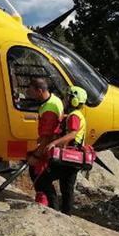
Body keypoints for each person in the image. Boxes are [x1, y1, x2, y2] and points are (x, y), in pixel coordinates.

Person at [38, 86, 90, 214]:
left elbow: (72, 134)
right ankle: (66, 215)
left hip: (68, 157)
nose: (64, 100)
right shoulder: (77, 115)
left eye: (67, 97)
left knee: (43, 180)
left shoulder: (74, 116)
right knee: (67, 188)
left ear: (74, 101)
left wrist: (54, 143)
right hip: (74, 158)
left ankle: (54, 210)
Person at [25, 77, 64, 209]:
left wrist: (36, 155)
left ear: (40, 91)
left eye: (31, 91)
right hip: (47, 145)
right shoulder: (53, 100)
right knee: (40, 176)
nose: (28, 93)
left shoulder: (49, 109)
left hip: (49, 148)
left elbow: (48, 136)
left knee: (39, 176)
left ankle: (48, 206)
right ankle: (46, 203)